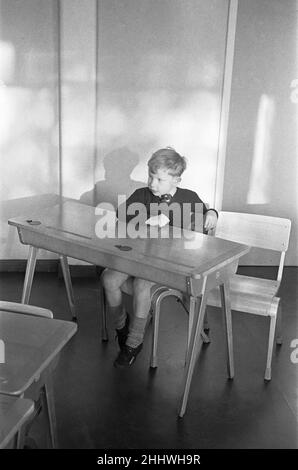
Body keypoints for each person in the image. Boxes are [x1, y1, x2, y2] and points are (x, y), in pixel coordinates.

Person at [101, 147, 218, 368]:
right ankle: (122, 327)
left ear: (177, 180)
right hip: (137, 256)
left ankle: (134, 343)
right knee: (108, 279)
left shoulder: (188, 198)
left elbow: (205, 216)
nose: (153, 183)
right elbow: (121, 214)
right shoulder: (142, 195)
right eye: (150, 176)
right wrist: (147, 217)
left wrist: (212, 213)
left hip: (169, 263)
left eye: (160, 179)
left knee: (142, 284)